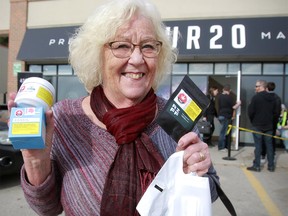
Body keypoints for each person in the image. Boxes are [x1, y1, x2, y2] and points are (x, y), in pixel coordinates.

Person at [8, 0, 219, 215]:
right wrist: (36, 162)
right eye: (121, 46)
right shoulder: (66, 119)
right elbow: (47, 208)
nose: (137, 59)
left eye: (148, 46)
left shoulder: (176, 116)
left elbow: (209, 192)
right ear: (97, 55)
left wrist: (198, 170)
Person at [247, 80, 277, 172]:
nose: (255, 88)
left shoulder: (256, 98)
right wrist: (273, 124)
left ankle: (257, 166)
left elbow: (250, 112)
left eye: (256, 86)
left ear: (261, 87)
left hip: (258, 125)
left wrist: (253, 121)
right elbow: (276, 113)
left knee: (258, 146)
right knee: (269, 146)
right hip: (269, 126)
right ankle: (271, 166)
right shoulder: (274, 98)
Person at [261, 81, 281, 163]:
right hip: (273, 122)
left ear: (266, 88)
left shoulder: (263, 97)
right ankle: (272, 156)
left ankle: (263, 156)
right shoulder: (277, 98)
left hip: (263, 122)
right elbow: (277, 112)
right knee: (271, 140)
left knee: (263, 139)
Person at [217, 84, 241, 151]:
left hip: (220, 115)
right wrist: (239, 103)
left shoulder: (219, 97)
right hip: (226, 116)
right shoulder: (229, 97)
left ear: (223, 89)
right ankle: (221, 147)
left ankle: (223, 146)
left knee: (222, 131)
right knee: (224, 132)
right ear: (229, 90)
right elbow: (234, 107)